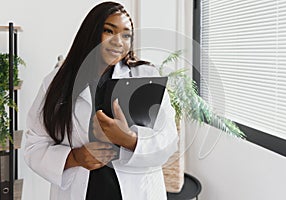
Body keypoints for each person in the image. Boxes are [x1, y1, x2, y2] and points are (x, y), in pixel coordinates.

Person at [24, 2, 178, 200]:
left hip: (136, 192)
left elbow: (169, 141)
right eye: (109, 31)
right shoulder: (57, 82)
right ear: (91, 33)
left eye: (126, 35)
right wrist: (75, 158)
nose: (118, 41)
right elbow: (34, 146)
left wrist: (128, 139)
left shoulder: (145, 77)